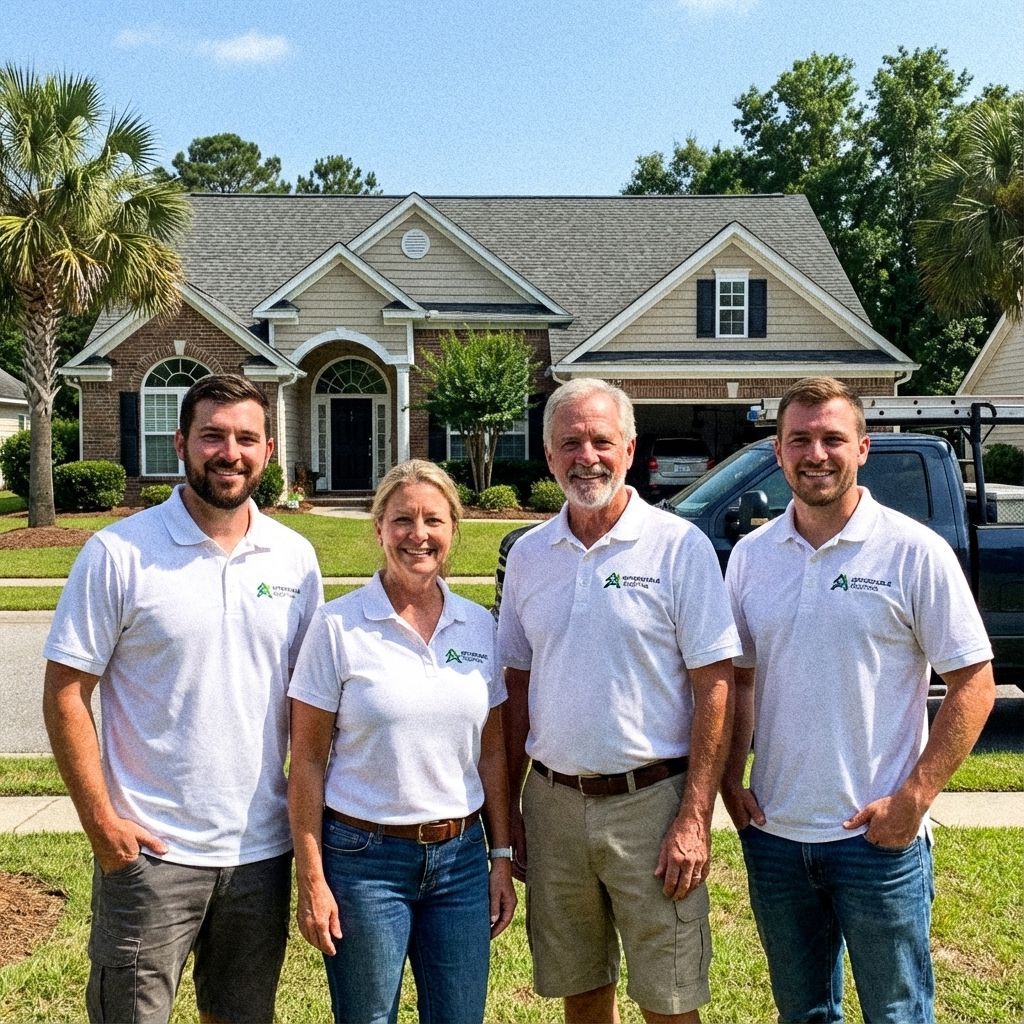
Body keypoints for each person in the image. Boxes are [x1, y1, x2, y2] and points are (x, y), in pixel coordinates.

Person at [42, 373, 324, 1024]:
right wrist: (103, 826)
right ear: (181, 443)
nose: (229, 452)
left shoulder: (295, 560)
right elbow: (65, 694)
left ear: (269, 450)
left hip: (259, 852)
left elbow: (313, 709)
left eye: (246, 438)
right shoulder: (119, 553)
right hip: (150, 854)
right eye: (213, 436)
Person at [722, 376, 995, 1024]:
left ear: (863, 448)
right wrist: (731, 779)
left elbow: (974, 682)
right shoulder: (752, 557)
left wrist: (916, 798)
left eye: (832, 438)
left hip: (879, 840)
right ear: (779, 453)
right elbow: (740, 678)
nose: (816, 453)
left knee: (897, 1013)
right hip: (777, 838)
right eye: (800, 440)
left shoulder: (912, 551)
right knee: (805, 1014)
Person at [497, 379, 740, 1024]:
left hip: (653, 805)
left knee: (670, 998)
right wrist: (512, 810)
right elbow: (515, 686)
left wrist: (695, 817)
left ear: (630, 449)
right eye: (570, 442)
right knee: (581, 992)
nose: (587, 456)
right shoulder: (527, 556)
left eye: (601, 440)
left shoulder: (677, 546)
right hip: (552, 804)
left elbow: (714, 683)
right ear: (549, 457)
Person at [287, 459, 516, 1024]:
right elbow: (309, 760)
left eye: (433, 520)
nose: (419, 534)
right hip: (364, 862)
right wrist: (312, 878)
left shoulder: (478, 626)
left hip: (461, 859)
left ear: (453, 530)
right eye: (402, 519)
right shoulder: (337, 627)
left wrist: (501, 857)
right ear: (379, 529)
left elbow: (491, 753)